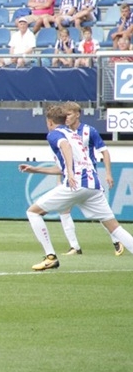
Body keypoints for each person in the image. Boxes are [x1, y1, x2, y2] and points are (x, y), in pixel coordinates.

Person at [19, 104, 133, 271]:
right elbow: (62, 166)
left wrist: (71, 173)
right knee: (114, 227)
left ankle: (50, 256)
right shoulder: (74, 135)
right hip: (93, 186)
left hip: (76, 184)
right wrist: (36, 169)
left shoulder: (54, 135)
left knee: (33, 212)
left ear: (50, 122)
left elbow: (65, 147)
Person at [56, 101, 123, 256]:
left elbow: (104, 151)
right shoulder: (63, 133)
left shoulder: (89, 131)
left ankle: (116, 239)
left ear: (77, 114)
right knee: (64, 209)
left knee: (101, 213)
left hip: (88, 177)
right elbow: (62, 158)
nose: (66, 118)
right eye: (64, 115)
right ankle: (75, 247)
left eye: (69, 114)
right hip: (71, 177)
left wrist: (108, 173)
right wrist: (60, 177)